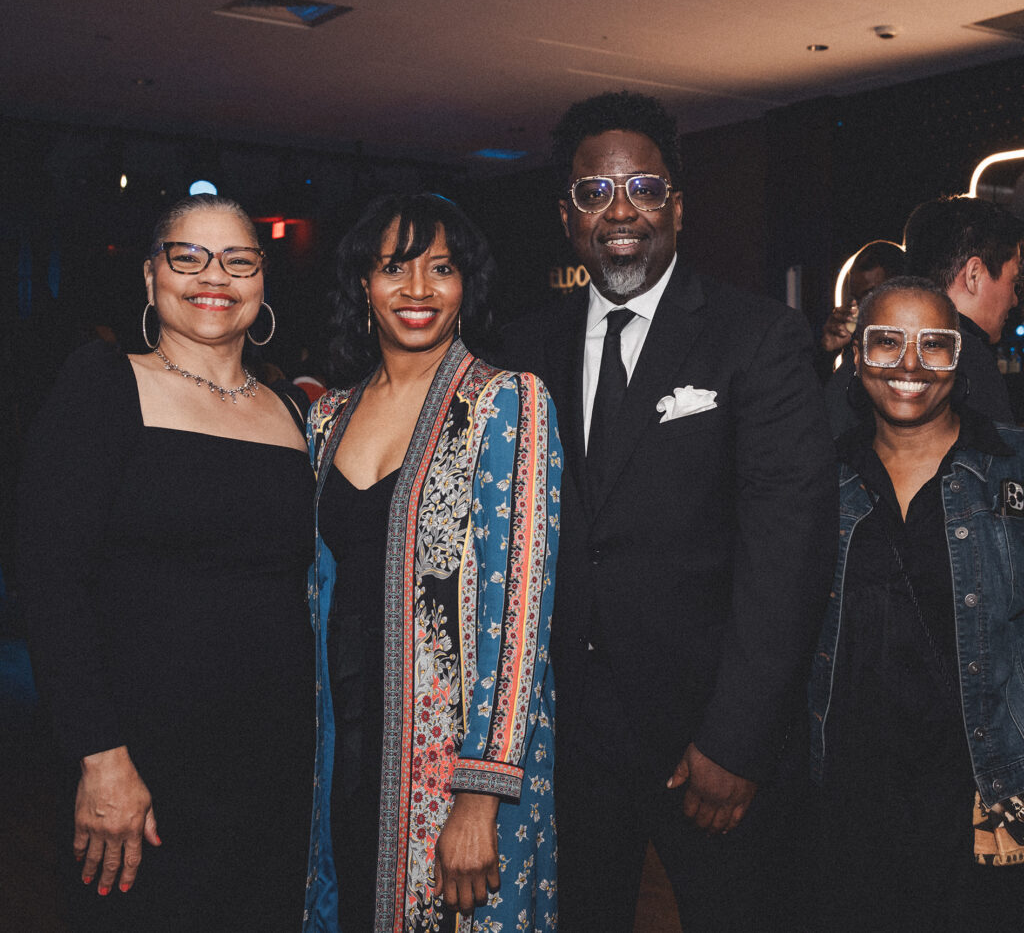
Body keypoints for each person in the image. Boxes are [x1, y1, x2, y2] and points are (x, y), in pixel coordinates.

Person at [499, 91, 836, 931]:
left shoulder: (756, 339)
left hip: (708, 744)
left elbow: (787, 555)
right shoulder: (522, 347)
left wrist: (736, 739)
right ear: (567, 214)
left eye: (644, 187)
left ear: (678, 208)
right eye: (595, 192)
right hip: (566, 742)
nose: (621, 210)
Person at [17, 194, 314, 931]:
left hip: (275, 767)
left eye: (238, 259)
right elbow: (52, 583)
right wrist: (101, 758)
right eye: (189, 256)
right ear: (152, 277)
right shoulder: (103, 385)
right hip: (142, 767)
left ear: (261, 279)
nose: (214, 276)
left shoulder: (292, 411)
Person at [302, 193, 561, 933]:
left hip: (453, 773)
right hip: (339, 752)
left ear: (466, 285)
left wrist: (479, 799)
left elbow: (520, 610)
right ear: (363, 284)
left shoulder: (505, 402)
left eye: (440, 269)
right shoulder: (326, 417)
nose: (418, 289)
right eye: (395, 268)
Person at [809, 276, 1024, 930]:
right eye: (887, 343)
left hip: (982, 803)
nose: (909, 365)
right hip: (846, 810)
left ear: (960, 359)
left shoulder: (1012, 471)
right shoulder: (818, 481)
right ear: (857, 354)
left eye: (933, 345)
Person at [826, 196, 1024, 435]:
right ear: (974, 275)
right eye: (1013, 281)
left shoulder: (869, 360)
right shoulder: (964, 359)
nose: (1014, 299)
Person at [815, 240, 905, 382]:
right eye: (857, 299)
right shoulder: (859, 351)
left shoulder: (924, 348)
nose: (862, 307)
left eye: (871, 295)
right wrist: (828, 353)